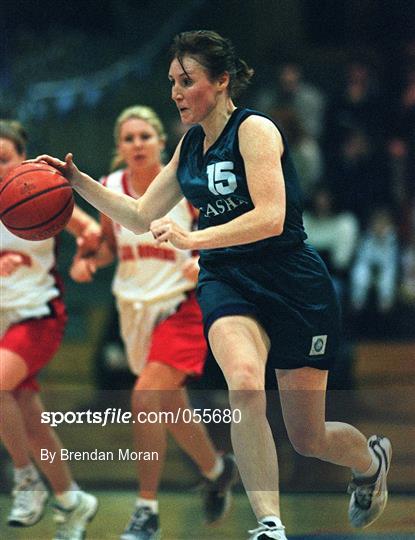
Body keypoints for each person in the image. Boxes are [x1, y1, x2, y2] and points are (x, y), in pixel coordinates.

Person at [31, 30, 392, 540]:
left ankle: (370, 463)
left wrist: (192, 235)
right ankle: (269, 525)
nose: (176, 92)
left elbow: (270, 217)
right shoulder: (190, 148)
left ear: (221, 82)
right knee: (243, 380)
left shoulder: (256, 131)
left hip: (293, 281)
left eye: (186, 81)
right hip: (227, 279)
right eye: (172, 82)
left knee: (308, 436)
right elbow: (136, 216)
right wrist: (77, 182)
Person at [69, 105, 237, 540]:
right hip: (133, 308)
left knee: (145, 396)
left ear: (163, 141)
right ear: (119, 148)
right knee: (169, 405)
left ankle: (146, 511)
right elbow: (108, 248)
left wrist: (202, 258)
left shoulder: (186, 185)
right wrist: (87, 261)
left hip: (182, 306)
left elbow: (226, 234)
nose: (137, 144)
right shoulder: (109, 188)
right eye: (129, 138)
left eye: (145, 136)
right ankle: (217, 470)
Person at [0, 120, 99, 540]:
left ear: (20, 158)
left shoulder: (41, 190)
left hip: (37, 315)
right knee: (32, 423)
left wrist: (85, 259)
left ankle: (26, 480)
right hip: (2, 325)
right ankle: (72, 500)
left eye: (4, 158)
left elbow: (91, 230)